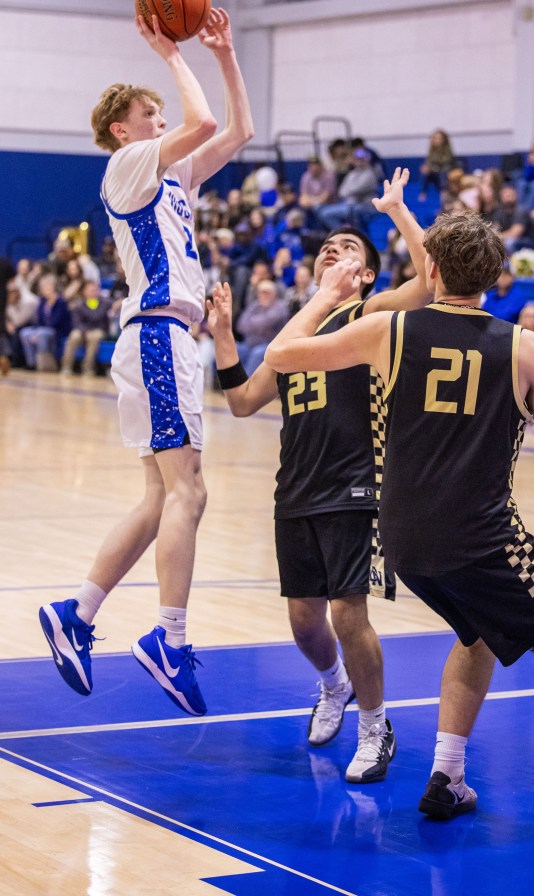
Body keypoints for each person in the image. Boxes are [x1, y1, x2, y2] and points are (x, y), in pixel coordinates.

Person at [264, 213, 534, 857]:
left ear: (430, 270)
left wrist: (324, 298)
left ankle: (447, 779)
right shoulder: (524, 346)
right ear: (497, 277)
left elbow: (279, 356)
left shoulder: (390, 330)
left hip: (403, 541)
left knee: (475, 633)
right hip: (483, 538)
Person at [38, 6, 254, 716]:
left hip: (162, 338)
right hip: (160, 336)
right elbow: (200, 121)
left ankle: (76, 614)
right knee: (189, 494)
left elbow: (238, 132)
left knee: (163, 498)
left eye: (161, 114)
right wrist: (173, 53)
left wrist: (225, 52)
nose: (161, 121)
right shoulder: (127, 166)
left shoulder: (171, 178)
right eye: (149, 115)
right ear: (120, 131)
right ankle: (169, 638)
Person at [207, 168, 431, 785]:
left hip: (356, 482)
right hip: (296, 485)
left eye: (347, 248)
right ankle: (334, 685)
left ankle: (376, 725)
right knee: (304, 621)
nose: (332, 248)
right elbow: (243, 401)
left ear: (365, 275)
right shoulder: (299, 329)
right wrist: (223, 336)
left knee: (347, 612)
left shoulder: (370, 313)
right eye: (326, 247)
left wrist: (397, 213)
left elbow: (429, 281)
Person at [19, 273, 71, 371]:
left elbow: (56, 322)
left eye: (46, 286)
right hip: (43, 329)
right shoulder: (42, 301)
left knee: (41, 334)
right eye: (42, 287)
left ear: (53, 287)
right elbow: (38, 319)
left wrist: (38, 331)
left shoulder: (61, 302)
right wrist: (35, 331)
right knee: (25, 333)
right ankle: (31, 363)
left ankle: (44, 363)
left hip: (57, 330)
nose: (43, 289)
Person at [60, 280, 112, 377]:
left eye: (94, 290)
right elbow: (76, 322)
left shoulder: (106, 303)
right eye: (90, 290)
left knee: (94, 336)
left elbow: (102, 319)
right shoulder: (78, 304)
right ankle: (66, 367)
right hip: (82, 330)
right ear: (84, 291)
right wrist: (85, 331)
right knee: (74, 335)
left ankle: (88, 369)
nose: (92, 292)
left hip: (99, 330)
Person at [419, 130, 454, 201]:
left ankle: (443, 192)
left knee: (443, 174)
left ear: (444, 139)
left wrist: (433, 167)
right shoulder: (431, 149)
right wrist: (428, 167)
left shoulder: (447, 149)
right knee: (425, 172)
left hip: (443, 170)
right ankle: (423, 192)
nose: (437, 140)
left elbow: (445, 162)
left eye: (439, 138)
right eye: (435, 138)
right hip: (433, 171)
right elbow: (429, 161)